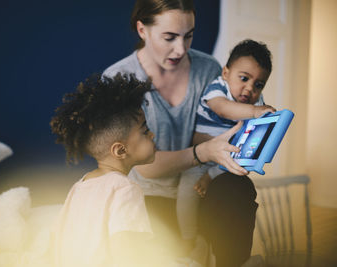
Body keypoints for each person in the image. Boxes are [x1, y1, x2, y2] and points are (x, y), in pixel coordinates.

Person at [102, 1, 258, 266]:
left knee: (238, 188)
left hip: (200, 187)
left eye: (189, 36)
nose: (181, 49)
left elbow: (225, 125)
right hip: (148, 195)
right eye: (169, 37)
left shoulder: (208, 69)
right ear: (142, 30)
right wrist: (203, 152)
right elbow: (146, 167)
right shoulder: (118, 79)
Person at [50, 74, 167, 267]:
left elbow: (59, 239)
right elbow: (126, 250)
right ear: (120, 150)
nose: (152, 134)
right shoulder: (125, 189)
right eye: (145, 131)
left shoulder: (80, 186)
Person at [177, 39, 275, 251]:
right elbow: (222, 109)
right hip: (200, 158)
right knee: (186, 192)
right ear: (225, 73)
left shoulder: (256, 103)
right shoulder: (217, 89)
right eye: (244, 78)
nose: (249, 88)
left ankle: (210, 178)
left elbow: (254, 132)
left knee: (239, 171)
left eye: (258, 85)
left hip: (224, 162)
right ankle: (188, 239)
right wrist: (255, 112)